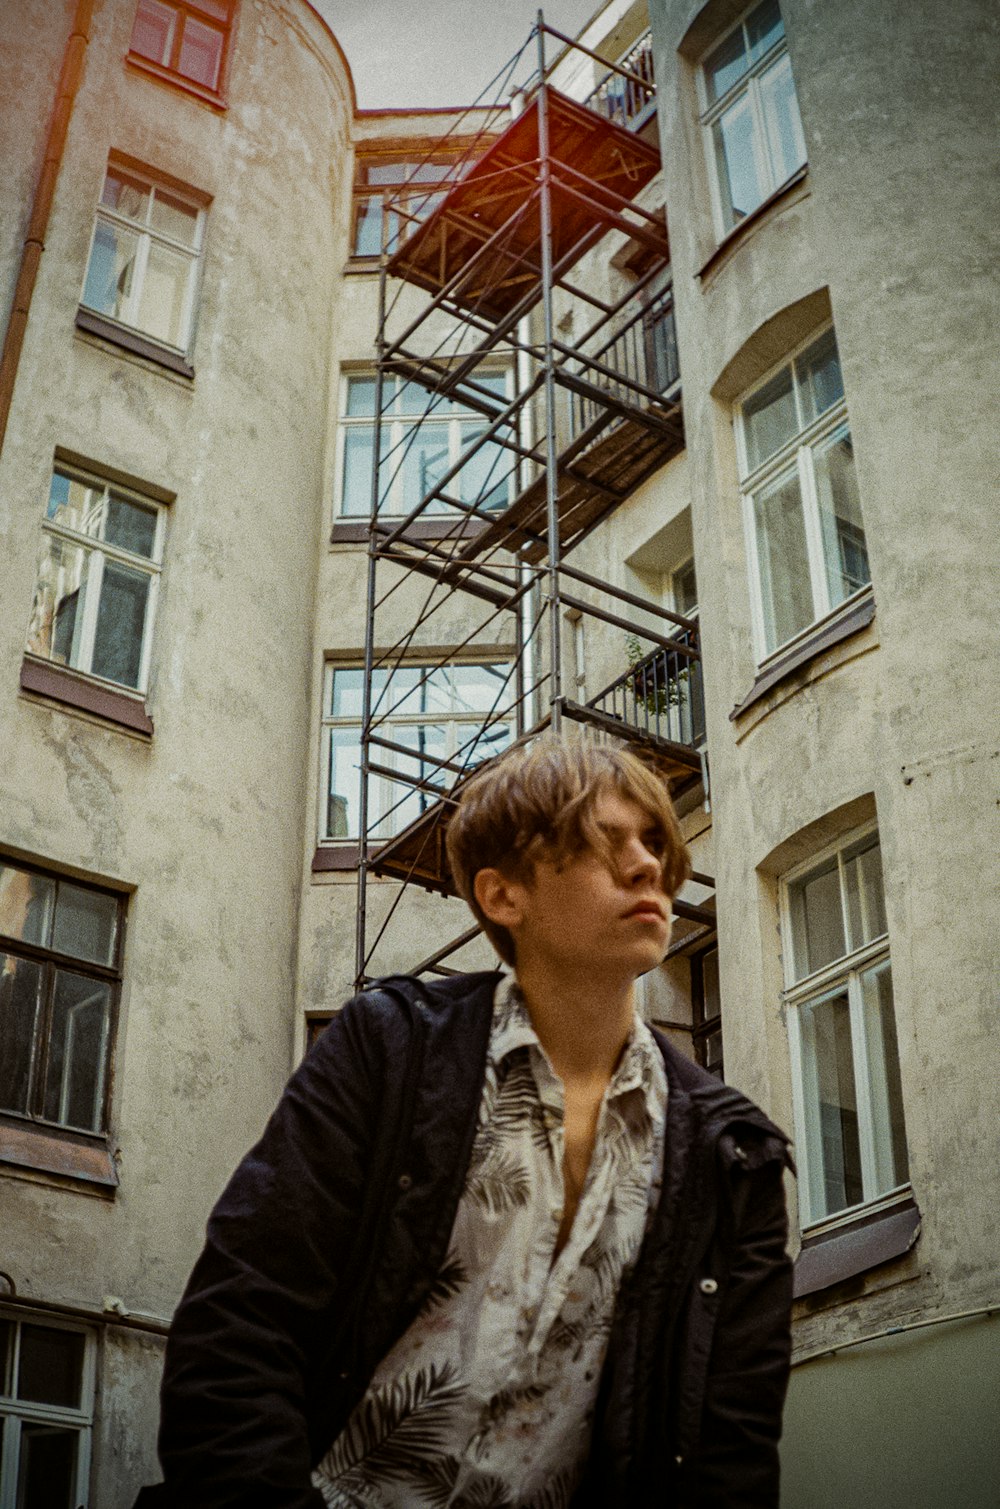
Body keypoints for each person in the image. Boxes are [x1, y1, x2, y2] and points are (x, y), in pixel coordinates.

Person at [135, 738, 793, 1509]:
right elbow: (238, 1328)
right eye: (603, 843)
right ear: (503, 894)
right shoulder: (390, 1050)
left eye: (654, 841)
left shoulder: (732, 1154)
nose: (648, 865)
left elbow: (729, 1456)